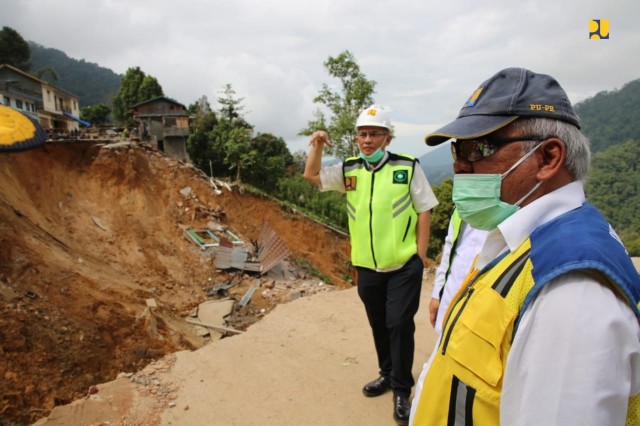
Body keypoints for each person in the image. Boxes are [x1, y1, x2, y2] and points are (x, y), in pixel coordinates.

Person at [409, 67, 640, 425]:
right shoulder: (516, 236)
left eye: (478, 147)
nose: (458, 164)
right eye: (458, 148)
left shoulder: (571, 291)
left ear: (548, 158)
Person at [303, 105, 438, 425]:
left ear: (387, 138)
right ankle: (387, 375)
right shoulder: (349, 170)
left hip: (403, 265)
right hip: (366, 267)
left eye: (375, 133)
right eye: (362, 134)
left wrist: (419, 255)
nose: (367, 139)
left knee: (398, 323)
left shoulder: (407, 166)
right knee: (380, 324)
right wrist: (317, 144)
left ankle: (402, 389)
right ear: (357, 138)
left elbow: (424, 209)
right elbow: (311, 175)